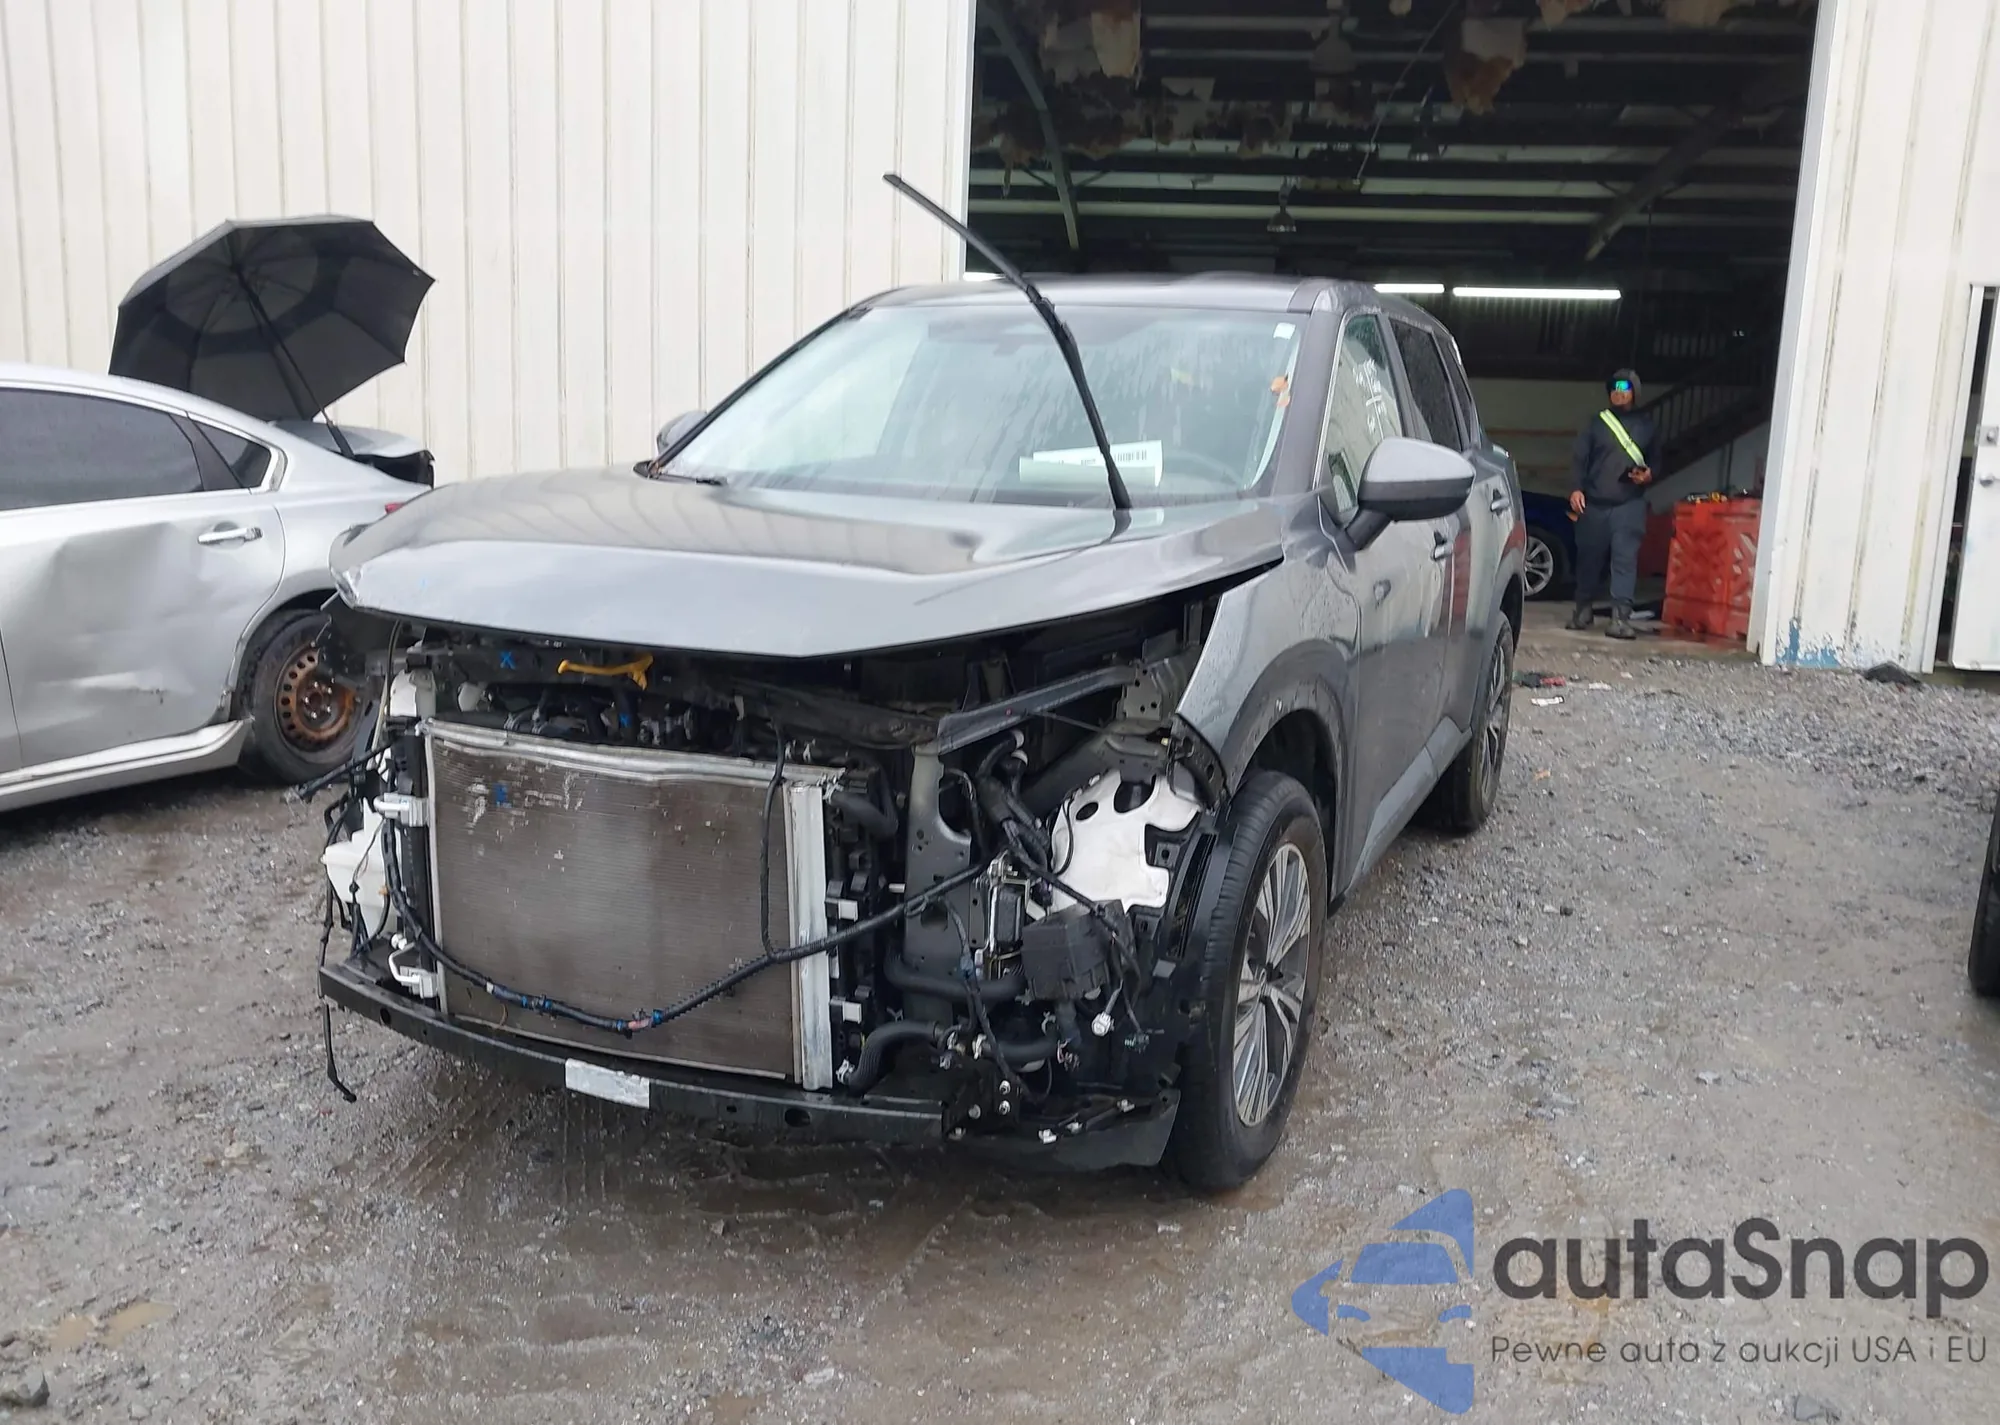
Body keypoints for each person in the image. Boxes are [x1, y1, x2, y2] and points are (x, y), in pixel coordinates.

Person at [1566, 368, 1659, 639]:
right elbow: (1579, 458)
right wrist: (1576, 489)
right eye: (1614, 388)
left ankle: (1620, 618)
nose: (1618, 393)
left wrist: (1649, 474)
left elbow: (1657, 460)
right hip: (1594, 504)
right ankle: (1583, 609)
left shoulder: (1647, 425)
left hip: (1629, 504)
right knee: (1589, 559)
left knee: (1624, 560)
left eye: (1625, 388)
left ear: (1635, 392)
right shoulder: (1596, 424)